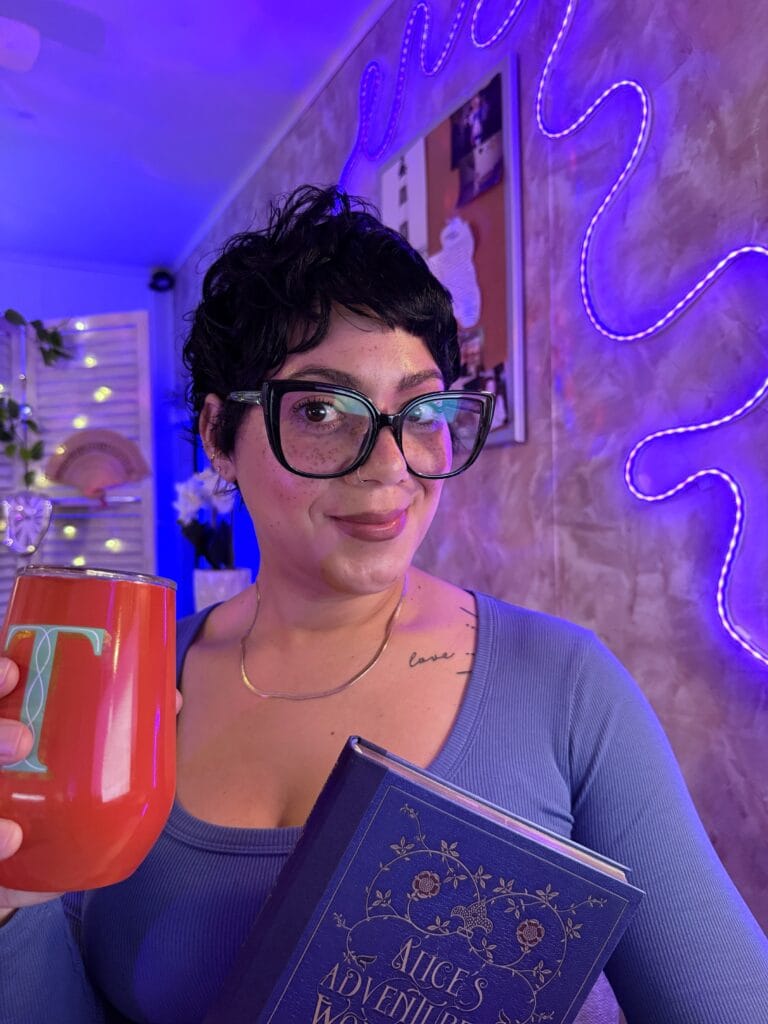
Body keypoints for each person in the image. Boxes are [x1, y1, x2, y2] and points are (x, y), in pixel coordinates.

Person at [0, 185, 766, 1023]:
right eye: (323, 410)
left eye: (423, 410)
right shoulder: (134, 686)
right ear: (220, 434)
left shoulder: (564, 687)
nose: (391, 465)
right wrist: (10, 900)